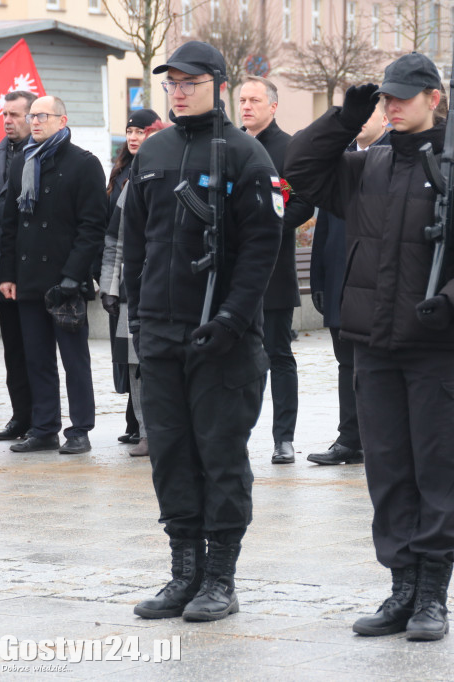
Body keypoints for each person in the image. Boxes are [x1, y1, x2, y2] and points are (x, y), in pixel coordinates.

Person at [285, 51, 454, 641]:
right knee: (388, 472)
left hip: (437, 349)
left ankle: (432, 593)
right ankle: (401, 587)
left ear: (434, 99)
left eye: (402, 97)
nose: (391, 105)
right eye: (386, 97)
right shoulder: (369, 165)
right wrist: (344, 118)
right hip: (374, 347)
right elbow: (298, 169)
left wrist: (452, 301)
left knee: (438, 472)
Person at [123, 41, 282, 622]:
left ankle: (220, 578)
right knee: (170, 455)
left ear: (218, 85)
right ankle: (184, 572)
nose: (179, 91)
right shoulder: (153, 151)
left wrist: (232, 320)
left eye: (190, 82)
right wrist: (138, 318)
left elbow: (262, 250)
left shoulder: (246, 155)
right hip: (161, 333)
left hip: (223, 338)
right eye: (172, 83)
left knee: (220, 456)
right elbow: (135, 243)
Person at [0, 95, 107, 455]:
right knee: (37, 359)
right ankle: (44, 428)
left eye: (42, 115)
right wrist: (7, 274)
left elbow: (92, 227)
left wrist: (73, 276)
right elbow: (10, 225)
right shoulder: (22, 163)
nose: (35, 121)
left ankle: (80, 429)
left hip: (65, 282)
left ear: (62, 120)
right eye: (33, 116)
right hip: (29, 279)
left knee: (75, 361)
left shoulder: (84, 164)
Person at [307, 102, 389, 466]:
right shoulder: (339, 160)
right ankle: (349, 439)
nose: (361, 121)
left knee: (376, 365)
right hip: (340, 278)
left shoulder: (395, 158)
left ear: (385, 119)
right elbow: (324, 225)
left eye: (369, 114)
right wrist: (319, 279)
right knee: (346, 365)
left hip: (378, 281)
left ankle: (379, 438)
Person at [239, 75, 315, 465]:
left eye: (254, 100)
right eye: (242, 100)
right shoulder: (230, 145)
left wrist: (269, 226)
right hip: (233, 274)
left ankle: (283, 438)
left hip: (273, 270)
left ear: (272, 106)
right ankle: (233, 435)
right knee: (234, 359)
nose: (246, 107)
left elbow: (303, 203)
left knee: (278, 355)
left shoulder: (288, 149)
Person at [99, 108, 164, 458]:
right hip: (132, 288)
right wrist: (109, 286)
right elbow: (116, 238)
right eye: (131, 131)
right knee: (135, 364)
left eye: (143, 131)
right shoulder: (125, 178)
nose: (135, 137)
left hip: (171, 283)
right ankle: (146, 433)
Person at [0, 90, 35, 442]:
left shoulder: (45, 156)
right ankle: (21, 417)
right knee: (13, 351)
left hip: (36, 272)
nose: (7, 121)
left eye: (15, 115)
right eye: (5, 114)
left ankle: (44, 420)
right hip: (1, 270)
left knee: (38, 351)